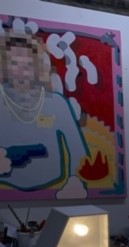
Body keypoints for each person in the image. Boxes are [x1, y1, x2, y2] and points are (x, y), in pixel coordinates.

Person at [0, 25, 89, 199]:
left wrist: (75, 181)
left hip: (53, 184)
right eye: (14, 63)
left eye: (28, 64)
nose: (21, 71)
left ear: (37, 67)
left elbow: (76, 147)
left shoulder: (56, 103)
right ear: (4, 66)